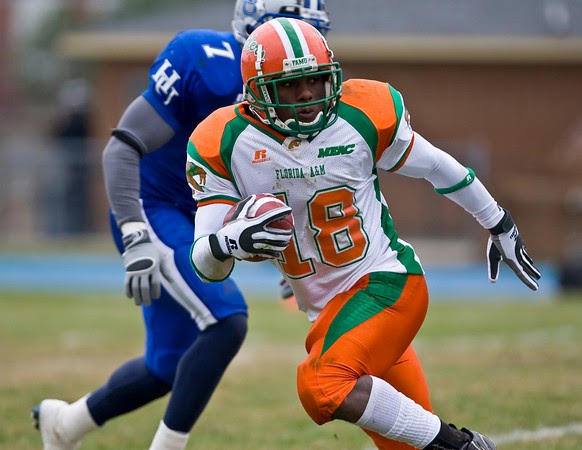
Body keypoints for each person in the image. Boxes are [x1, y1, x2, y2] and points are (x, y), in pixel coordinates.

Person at [187, 18, 541, 450]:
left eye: (316, 80)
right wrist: (230, 242)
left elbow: (436, 166)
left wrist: (498, 221)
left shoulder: (360, 114)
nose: (307, 95)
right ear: (257, 92)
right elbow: (205, 261)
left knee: (321, 385)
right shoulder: (224, 142)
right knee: (406, 445)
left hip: (386, 283)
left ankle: (463, 446)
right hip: (332, 314)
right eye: (289, 86)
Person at [32, 3, 330, 450]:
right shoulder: (204, 59)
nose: (297, 48)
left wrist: (285, 262)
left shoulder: (298, 95)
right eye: (286, 29)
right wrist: (134, 233)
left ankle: (65, 424)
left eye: (308, 32)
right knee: (227, 321)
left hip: (204, 218)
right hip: (156, 206)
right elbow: (122, 148)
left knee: (167, 365)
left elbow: (270, 187)